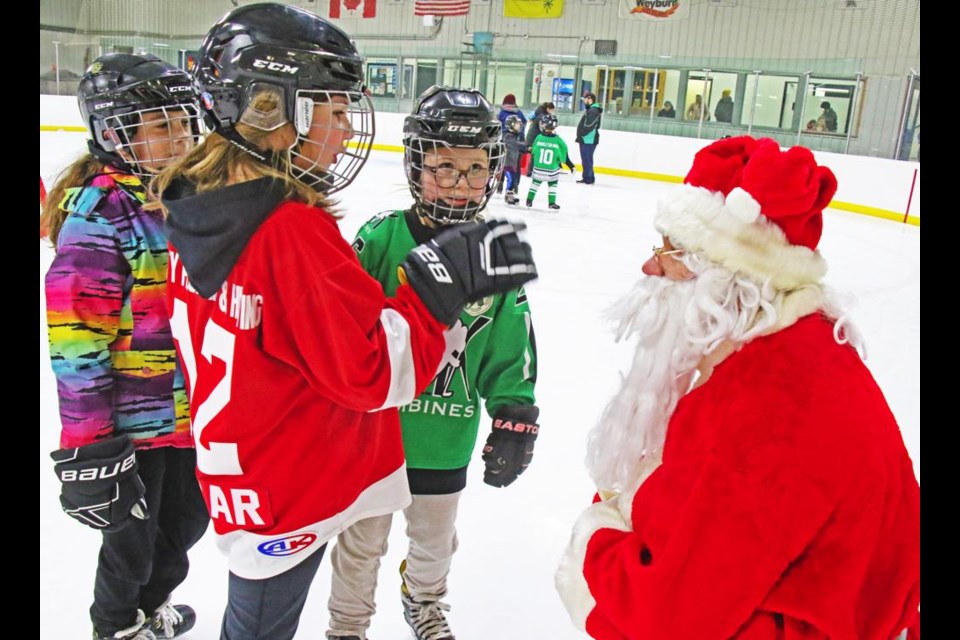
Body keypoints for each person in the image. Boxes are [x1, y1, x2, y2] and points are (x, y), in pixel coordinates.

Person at [153, 5, 538, 640]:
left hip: (248, 473)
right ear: (271, 109)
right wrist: (434, 291)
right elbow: (373, 371)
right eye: (331, 113)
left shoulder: (202, 210)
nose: (343, 132)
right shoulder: (288, 229)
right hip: (290, 485)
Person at [555, 135, 920, 639]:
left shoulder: (769, 405)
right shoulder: (793, 349)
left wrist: (593, 545)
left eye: (670, 252)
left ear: (726, 278)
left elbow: (670, 619)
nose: (650, 267)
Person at [327, 85, 539, 640]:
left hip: (445, 436)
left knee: (434, 538)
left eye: (474, 169)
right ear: (416, 165)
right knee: (361, 540)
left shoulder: (496, 247)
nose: (460, 183)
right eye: (443, 167)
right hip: (375, 434)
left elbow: (509, 341)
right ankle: (347, 626)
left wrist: (515, 411)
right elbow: (340, 325)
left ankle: (425, 602)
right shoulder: (381, 237)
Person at [43, 53, 209, 640]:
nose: (182, 136)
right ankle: (116, 626)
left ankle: (150, 608)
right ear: (115, 134)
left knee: (188, 522)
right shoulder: (103, 213)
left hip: (187, 413)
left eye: (185, 121)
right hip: (129, 425)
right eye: (163, 125)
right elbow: (75, 333)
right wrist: (89, 443)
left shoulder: (188, 201)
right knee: (130, 545)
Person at [527, 112, 570, 210]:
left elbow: (534, 151)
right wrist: (565, 162)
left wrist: (531, 167)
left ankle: (529, 201)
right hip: (551, 170)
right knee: (553, 185)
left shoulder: (539, 137)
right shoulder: (557, 139)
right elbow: (564, 151)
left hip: (538, 169)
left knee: (535, 184)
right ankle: (551, 203)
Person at [575, 92, 602, 185]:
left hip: (588, 139)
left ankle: (588, 178)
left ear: (590, 99)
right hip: (586, 139)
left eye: (585, 99)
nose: (584, 101)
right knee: (586, 159)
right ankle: (587, 177)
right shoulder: (591, 110)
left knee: (587, 159)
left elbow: (589, 125)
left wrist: (582, 134)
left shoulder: (593, 111)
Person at [502, 113, 528, 205]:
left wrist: (525, 149)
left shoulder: (514, 136)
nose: (519, 126)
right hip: (507, 163)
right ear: (511, 125)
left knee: (514, 179)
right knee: (511, 179)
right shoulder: (508, 136)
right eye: (516, 124)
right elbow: (516, 144)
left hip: (512, 163)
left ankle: (510, 194)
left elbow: (518, 147)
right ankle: (508, 196)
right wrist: (526, 146)